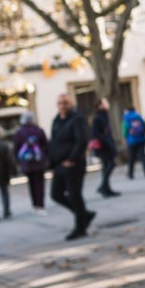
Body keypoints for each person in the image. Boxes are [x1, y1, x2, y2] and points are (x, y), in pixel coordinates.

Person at [50, 93, 97, 241]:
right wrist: (51, 162)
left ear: (71, 103)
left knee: (74, 195)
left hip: (74, 164)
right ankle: (84, 215)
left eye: (65, 103)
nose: (62, 106)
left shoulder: (77, 119)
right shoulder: (56, 120)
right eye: (60, 103)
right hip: (59, 164)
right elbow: (54, 142)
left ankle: (80, 227)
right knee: (56, 194)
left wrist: (72, 159)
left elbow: (82, 140)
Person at [12, 112, 51, 215]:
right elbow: (46, 146)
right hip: (39, 162)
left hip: (27, 164)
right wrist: (45, 157)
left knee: (32, 185)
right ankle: (41, 205)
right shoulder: (39, 130)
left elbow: (16, 149)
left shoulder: (19, 132)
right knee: (40, 184)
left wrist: (18, 162)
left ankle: (35, 205)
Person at [91, 98, 120, 197]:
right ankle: (103, 187)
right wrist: (106, 143)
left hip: (107, 145)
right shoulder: (98, 117)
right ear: (100, 105)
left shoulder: (104, 115)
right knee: (110, 165)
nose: (108, 104)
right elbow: (96, 133)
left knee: (107, 167)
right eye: (105, 102)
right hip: (104, 147)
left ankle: (106, 189)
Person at [122, 105, 145, 179]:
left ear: (127, 110)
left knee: (131, 157)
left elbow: (124, 130)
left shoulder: (126, 117)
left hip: (132, 140)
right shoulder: (138, 115)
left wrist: (124, 138)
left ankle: (130, 174)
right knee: (143, 156)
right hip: (141, 139)